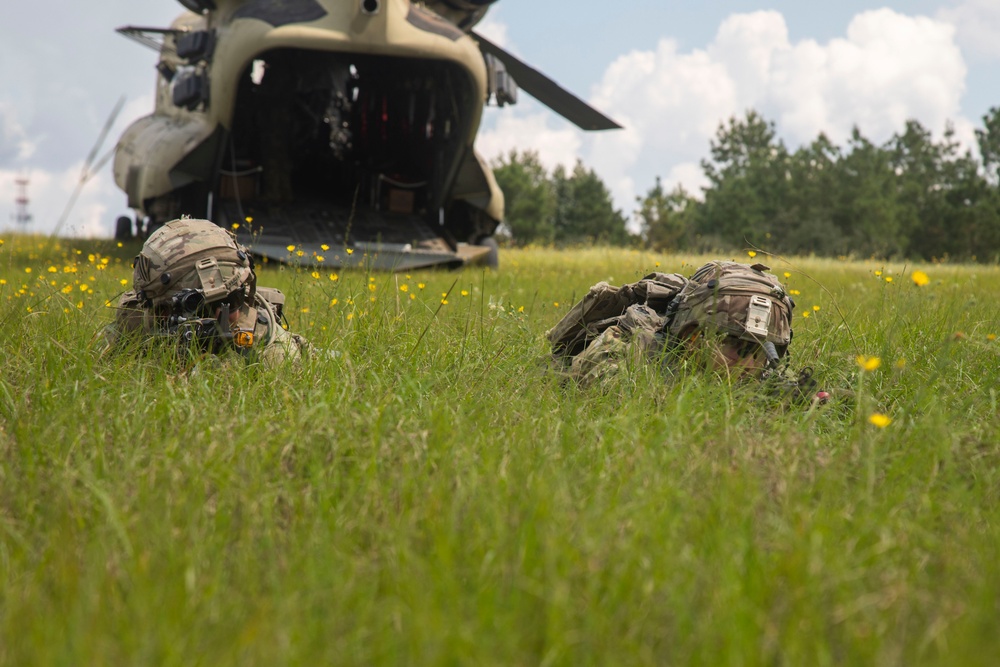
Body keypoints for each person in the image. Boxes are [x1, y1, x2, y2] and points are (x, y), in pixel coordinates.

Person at [548, 260, 824, 402]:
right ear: (693, 338)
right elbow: (609, 402)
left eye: (760, 350)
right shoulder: (627, 348)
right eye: (736, 346)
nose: (748, 364)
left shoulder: (764, 373)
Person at [103, 217, 310, 365]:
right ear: (162, 310)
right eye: (203, 306)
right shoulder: (135, 326)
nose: (228, 314)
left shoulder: (259, 335)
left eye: (235, 298)